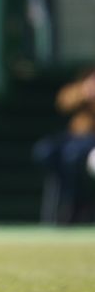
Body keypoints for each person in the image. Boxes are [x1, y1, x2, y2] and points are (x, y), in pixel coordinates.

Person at [32, 67, 95, 224]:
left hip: (90, 143)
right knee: (45, 151)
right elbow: (64, 103)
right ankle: (63, 203)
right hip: (74, 138)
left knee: (72, 156)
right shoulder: (80, 89)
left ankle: (74, 203)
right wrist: (84, 92)